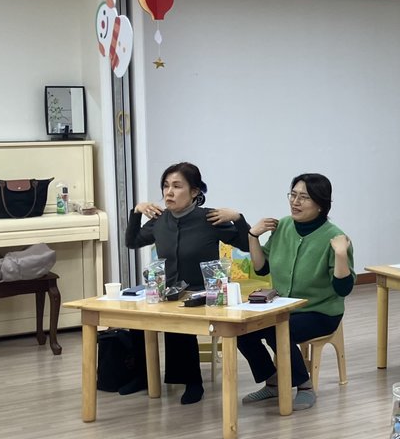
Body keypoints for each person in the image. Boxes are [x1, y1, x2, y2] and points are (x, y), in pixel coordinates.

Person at [124, 162, 250, 404]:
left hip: (205, 294)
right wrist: (137, 211)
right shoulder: (160, 220)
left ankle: (193, 382)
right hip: (169, 292)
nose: (169, 192)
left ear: (194, 191)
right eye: (165, 186)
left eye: (177, 186)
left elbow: (245, 244)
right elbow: (133, 241)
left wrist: (238, 218)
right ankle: (143, 376)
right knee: (137, 318)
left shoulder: (209, 218)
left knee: (178, 317)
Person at [239, 173, 354, 411]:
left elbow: (343, 289)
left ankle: (305, 386)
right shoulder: (283, 226)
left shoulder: (335, 237)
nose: (295, 202)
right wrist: (253, 236)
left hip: (320, 312)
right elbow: (262, 268)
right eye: (293, 195)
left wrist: (341, 254)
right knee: (242, 329)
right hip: (282, 308)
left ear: (321, 204)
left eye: (304, 197)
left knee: (278, 329)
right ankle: (273, 380)